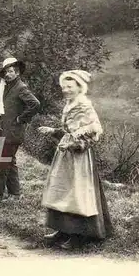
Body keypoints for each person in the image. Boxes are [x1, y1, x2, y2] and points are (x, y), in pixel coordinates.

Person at [38, 70, 113, 250]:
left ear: (80, 87)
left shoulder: (85, 106)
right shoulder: (70, 104)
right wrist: (53, 131)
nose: (66, 90)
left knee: (77, 194)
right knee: (62, 191)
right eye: (64, 87)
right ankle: (62, 230)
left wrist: (73, 145)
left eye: (70, 87)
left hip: (79, 159)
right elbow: (69, 131)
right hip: (65, 156)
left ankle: (79, 235)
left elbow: (93, 133)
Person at [0, 57, 40, 206]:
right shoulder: (6, 87)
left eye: (11, 71)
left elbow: (35, 104)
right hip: (5, 131)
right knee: (10, 162)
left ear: (17, 72)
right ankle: (15, 193)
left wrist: (21, 119)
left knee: (2, 166)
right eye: (6, 72)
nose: (8, 74)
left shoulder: (21, 87)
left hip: (13, 133)